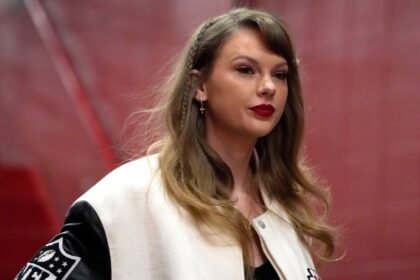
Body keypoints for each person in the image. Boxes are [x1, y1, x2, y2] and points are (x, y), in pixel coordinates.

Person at [15, 7, 335, 280]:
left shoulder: (284, 205)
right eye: (245, 70)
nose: (268, 87)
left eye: (280, 74)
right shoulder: (129, 197)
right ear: (199, 85)